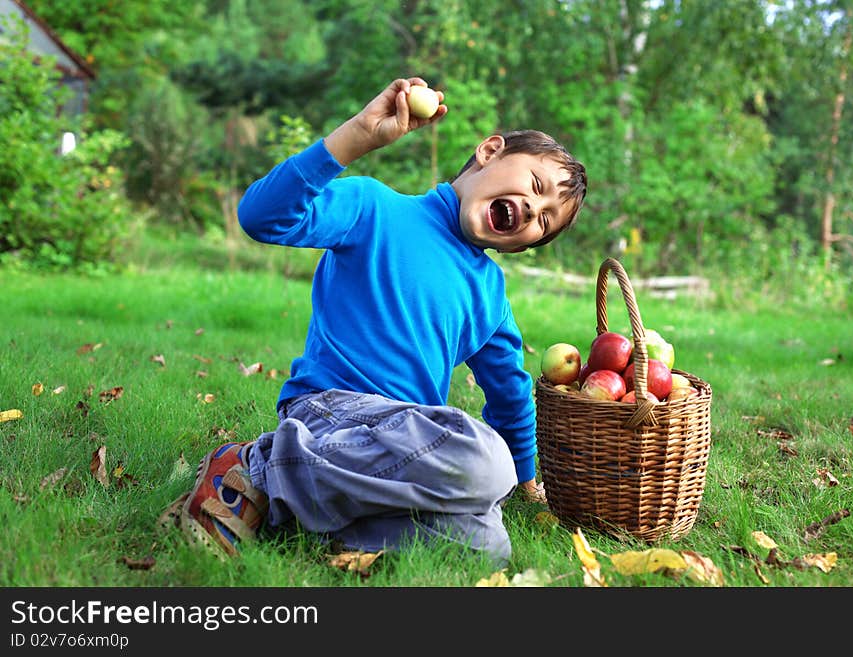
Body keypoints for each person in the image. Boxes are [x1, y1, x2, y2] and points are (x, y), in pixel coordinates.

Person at [162, 77, 588, 567]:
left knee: (488, 546)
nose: (534, 210)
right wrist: (357, 137)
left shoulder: (489, 294)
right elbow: (263, 217)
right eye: (535, 188)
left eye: (543, 223)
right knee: (486, 462)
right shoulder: (375, 208)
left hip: (402, 448)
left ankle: (298, 519)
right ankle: (255, 468)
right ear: (490, 151)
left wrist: (527, 481)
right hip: (329, 413)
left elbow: (510, 395)